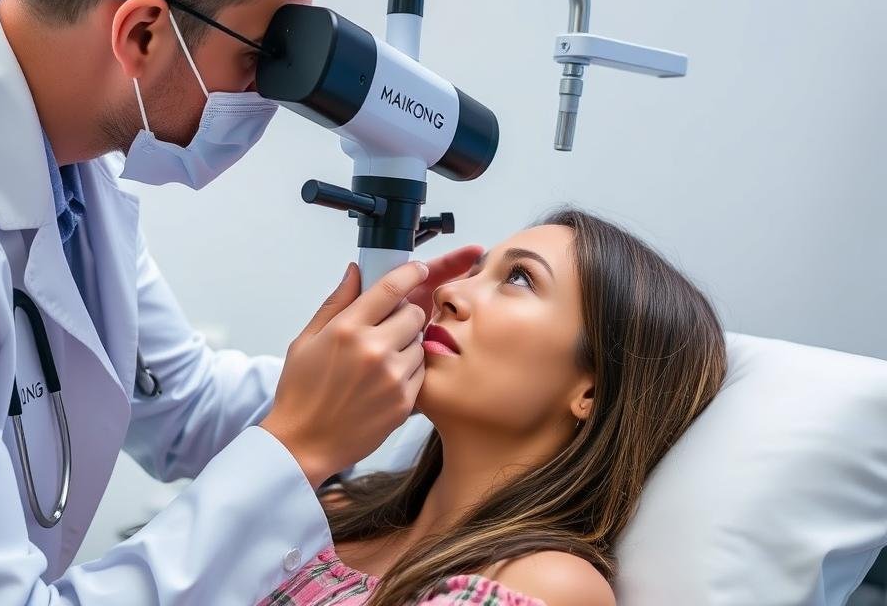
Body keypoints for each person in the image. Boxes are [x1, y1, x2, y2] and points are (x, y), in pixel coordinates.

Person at [0, 0, 481, 604]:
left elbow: (181, 401)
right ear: (143, 34)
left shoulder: (67, 155)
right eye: (261, 55)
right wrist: (300, 443)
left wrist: (393, 368)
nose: (271, 93)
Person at [259, 208, 728, 606]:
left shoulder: (547, 583)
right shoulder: (339, 509)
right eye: (475, 272)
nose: (447, 293)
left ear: (593, 391)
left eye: (520, 278)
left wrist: (299, 439)